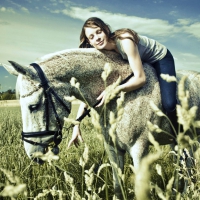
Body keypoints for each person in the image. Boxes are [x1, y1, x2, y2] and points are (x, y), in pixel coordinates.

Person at [68, 17, 177, 148]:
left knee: (169, 103)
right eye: (91, 37)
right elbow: (90, 93)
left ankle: (180, 139)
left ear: (106, 29)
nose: (97, 38)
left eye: (98, 32)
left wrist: (115, 89)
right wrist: (76, 125)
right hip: (138, 60)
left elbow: (141, 79)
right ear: (89, 42)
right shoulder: (101, 53)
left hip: (159, 58)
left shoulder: (125, 41)